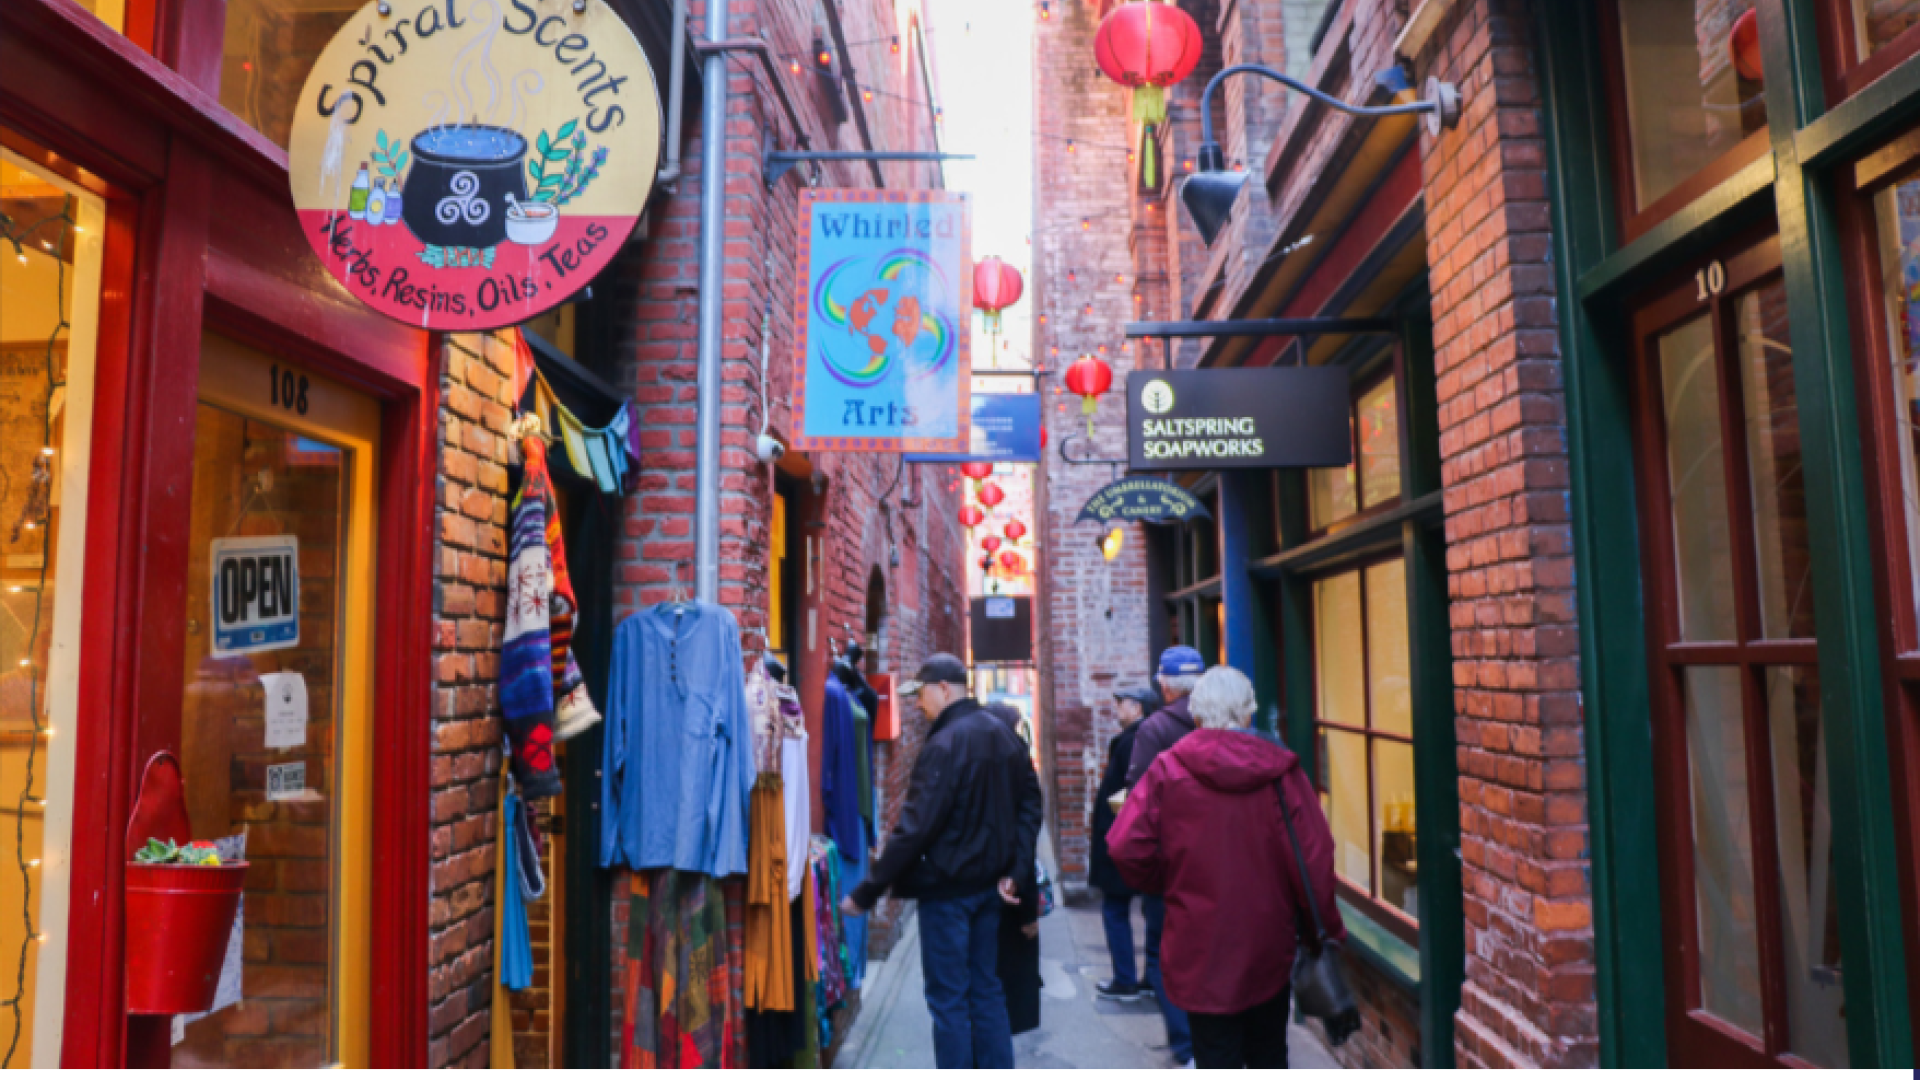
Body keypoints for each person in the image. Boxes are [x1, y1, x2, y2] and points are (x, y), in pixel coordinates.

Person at [1108, 666, 1344, 1069]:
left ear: (1197, 716)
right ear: (1248, 715)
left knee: (1215, 1056)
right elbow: (1314, 858)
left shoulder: (1168, 769)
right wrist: (1324, 930)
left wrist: (1167, 881)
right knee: (1269, 1053)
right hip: (1267, 942)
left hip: (1200, 942)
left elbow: (1125, 846)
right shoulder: (1281, 773)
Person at [842, 654, 1043, 1069]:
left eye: (922, 694)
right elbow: (1030, 808)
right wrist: (1017, 872)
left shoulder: (944, 745)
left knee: (949, 1000)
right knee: (986, 989)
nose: (918, 704)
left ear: (945, 689)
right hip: (990, 890)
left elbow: (914, 829)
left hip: (948, 894)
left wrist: (867, 891)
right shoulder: (1005, 737)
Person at [1124, 646, 1206, 1065]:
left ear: (1164, 685)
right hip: (1218, 863)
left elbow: (1136, 804)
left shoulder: (1154, 730)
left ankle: (1187, 1048)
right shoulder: (1221, 723)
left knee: (1162, 958)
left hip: (1171, 865)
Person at [1090, 687, 1159, 1002]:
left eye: (1122, 703)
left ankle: (1126, 980)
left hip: (1124, 835)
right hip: (1137, 836)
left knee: (1116, 908)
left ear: (1138, 708)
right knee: (1150, 908)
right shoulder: (1145, 737)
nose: (1117, 708)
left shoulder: (1134, 739)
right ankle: (1149, 980)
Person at [985, 703, 1042, 1037]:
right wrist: (1028, 910)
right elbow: (1025, 840)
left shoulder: (973, 761)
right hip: (1011, 889)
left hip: (980, 888)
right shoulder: (1018, 763)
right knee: (1008, 989)